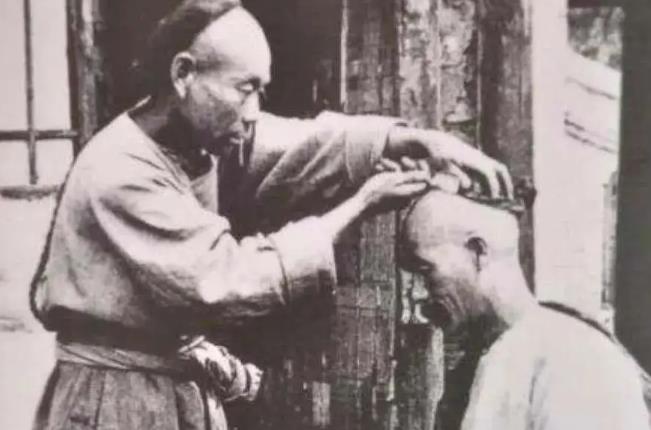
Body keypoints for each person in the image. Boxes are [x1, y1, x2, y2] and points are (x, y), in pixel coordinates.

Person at [29, 1, 512, 429]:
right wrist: (359, 205)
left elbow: (301, 144)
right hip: (115, 401)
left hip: (165, 388)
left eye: (261, 91)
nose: (254, 111)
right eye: (245, 89)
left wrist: (413, 140)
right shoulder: (123, 171)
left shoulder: (197, 143)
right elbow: (226, 280)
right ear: (183, 74)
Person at [400, 188, 650, 430]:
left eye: (426, 270)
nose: (420, 293)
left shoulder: (577, 361)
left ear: (478, 252)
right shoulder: (473, 368)